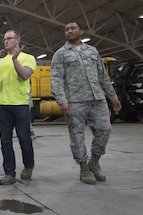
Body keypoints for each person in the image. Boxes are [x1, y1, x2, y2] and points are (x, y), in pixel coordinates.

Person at [50, 21, 121, 185]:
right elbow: (56, 80)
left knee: (105, 129)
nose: (69, 31)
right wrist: (62, 101)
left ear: (81, 31)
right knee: (77, 136)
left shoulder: (92, 51)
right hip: (74, 101)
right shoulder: (60, 54)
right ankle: (83, 167)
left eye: (73, 28)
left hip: (97, 99)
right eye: (66, 29)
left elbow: (103, 76)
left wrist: (113, 97)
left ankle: (94, 162)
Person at [0, 30, 37, 185]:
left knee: (24, 138)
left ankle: (28, 165)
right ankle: (9, 173)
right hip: (2, 106)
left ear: (18, 40)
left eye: (9, 38)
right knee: (5, 141)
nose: (6, 41)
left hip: (20, 105)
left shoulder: (28, 58)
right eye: (4, 39)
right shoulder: (0, 62)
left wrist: (16, 60)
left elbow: (24, 75)